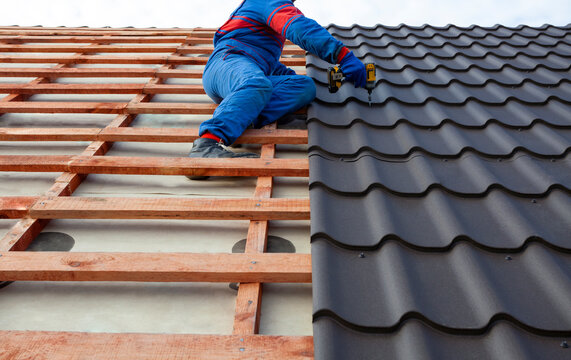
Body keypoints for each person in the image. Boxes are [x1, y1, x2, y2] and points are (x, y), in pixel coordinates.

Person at [190, 0, 366, 159]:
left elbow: (267, 62)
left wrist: (292, 81)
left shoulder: (264, 34)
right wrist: (342, 55)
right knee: (255, 84)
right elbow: (298, 27)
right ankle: (206, 144)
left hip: (252, 66)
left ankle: (242, 119)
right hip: (227, 61)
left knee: (304, 86)